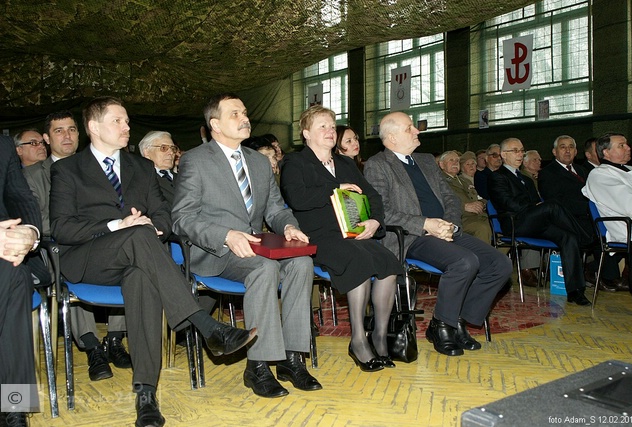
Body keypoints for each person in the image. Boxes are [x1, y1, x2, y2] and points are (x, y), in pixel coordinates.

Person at [50, 96, 255, 426]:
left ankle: (146, 394)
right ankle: (205, 325)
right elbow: (62, 227)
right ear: (93, 127)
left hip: (138, 259)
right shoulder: (67, 169)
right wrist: (118, 225)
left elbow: (163, 214)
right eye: (118, 121)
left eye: (127, 121)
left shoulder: (141, 167)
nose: (126, 126)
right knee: (137, 235)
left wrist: (155, 226)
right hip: (90, 260)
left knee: (142, 278)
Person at [172, 93, 319, 398]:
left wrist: (289, 226)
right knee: (264, 269)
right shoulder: (195, 160)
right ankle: (258, 365)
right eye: (235, 114)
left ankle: (291, 358)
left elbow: (275, 209)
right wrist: (226, 235)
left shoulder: (259, 162)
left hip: (254, 247)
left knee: (302, 263)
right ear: (215, 124)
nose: (245, 118)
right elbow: (182, 218)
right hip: (217, 251)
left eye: (245, 112)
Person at [364, 112, 512, 357]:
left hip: (444, 231)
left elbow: (450, 198)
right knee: (464, 262)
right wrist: (426, 224)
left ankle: (458, 320)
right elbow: (383, 212)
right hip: (411, 237)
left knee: (500, 264)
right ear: (392, 137)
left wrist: (449, 225)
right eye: (409, 128)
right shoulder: (378, 165)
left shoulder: (425, 161)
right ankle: (442, 326)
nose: (417, 131)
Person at [281, 105, 403, 371]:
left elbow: (373, 196)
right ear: (306, 133)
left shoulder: (346, 163)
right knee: (358, 260)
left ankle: (379, 336)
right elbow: (297, 198)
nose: (329, 131)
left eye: (331, 126)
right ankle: (358, 340)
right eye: (322, 126)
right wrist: (335, 187)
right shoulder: (295, 162)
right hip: (318, 236)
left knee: (388, 262)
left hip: (352, 232)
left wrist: (375, 221)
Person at [23, 110, 132, 381]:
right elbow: (36, 220)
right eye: (59, 131)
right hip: (58, 246)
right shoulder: (33, 176)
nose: (67, 136)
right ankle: (92, 345)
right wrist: (87, 227)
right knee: (68, 266)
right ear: (47, 138)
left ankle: (115, 339)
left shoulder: (100, 167)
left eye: (72, 129)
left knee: (131, 259)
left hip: (107, 241)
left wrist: (104, 227)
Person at [488, 137, 592, 305]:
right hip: (515, 223)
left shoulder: (527, 180)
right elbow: (507, 203)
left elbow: (537, 203)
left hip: (534, 222)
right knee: (553, 205)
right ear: (503, 154)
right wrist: (534, 206)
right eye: (515, 151)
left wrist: (536, 207)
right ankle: (586, 239)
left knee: (568, 237)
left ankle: (575, 291)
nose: (520, 154)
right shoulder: (497, 177)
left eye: (522, 151)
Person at [539, 135, 626, 292]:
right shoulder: (547, 173)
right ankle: (607, 277)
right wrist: (590, 208)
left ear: (576, 151)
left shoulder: (583, 170)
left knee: (622, 231)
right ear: (554, 151)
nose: (567, 150)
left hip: (589, 216)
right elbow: (556, 202)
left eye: (571, 147)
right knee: (601, 234)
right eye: (563, 147)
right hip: (567, 218)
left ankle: (596, 271)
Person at [0, 135, 43, 427]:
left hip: (5, 252)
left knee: (16, 272)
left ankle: (14, 404)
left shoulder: (3, 146)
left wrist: (29, 233)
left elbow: (21, 198)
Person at [582, 133, 632, 313]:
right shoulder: (599, 175)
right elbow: (631, 205)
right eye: (621, 145)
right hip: (629, 227)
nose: (628, 148)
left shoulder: (631, 170)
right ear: (605, 152)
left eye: (627, 144)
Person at [438, 151, 491, 245]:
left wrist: (482, 203)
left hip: (478, 216)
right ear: (442, 165)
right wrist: (464, 207)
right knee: (482, 228)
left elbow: (478, 197)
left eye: (457, 161)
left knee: (504, 226)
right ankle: (482, 254)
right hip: (459, 218)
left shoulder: (465, 181)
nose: (455, 163)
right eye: (451, 160)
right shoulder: (439, 181)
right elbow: (439, 201)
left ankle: (496, 254)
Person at [139, 131, 179, 205]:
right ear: (146, 152)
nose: (171, 152)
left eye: (173, 148)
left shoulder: (184, 177)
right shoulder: (141, 181)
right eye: (164, 148)